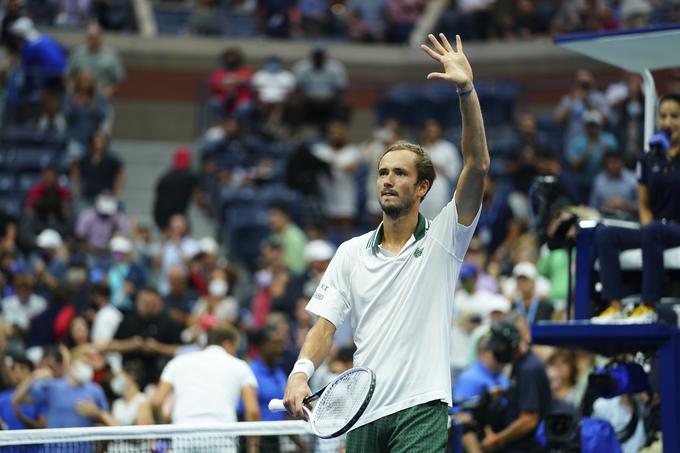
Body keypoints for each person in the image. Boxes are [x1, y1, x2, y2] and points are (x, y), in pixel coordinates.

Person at [283, 33, 489, 451]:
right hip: (362, 412)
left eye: (400, 173)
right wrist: (301, 371)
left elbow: (477, 164)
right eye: (382, 173)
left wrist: (466, 90)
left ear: (423, 187)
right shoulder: (350, 252)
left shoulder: (445, 239)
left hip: (421, 408)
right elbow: (325, 325)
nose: (388, 181)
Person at [593, 93, 680, 322]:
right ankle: (614, 305)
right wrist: (649, 227)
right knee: (606, 235)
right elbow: (644, 204)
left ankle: (648, 306)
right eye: (663, 116)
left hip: (677, 229)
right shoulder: (647, 158)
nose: (668, 122)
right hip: (655, 230)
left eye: (675, 116)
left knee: (652, 232)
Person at [152, 326, 260, 425]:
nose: (235, 353)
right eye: (235, 348)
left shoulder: (177, 362)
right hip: (223, 437)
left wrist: (164, 429)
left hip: (183, 435)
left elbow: (156, 402)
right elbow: (252, 411)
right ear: (228, 344)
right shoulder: (240, 366)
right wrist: (253, 446)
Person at [481, 319, 552, 452]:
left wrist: (497, 440)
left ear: (511, 344)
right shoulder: (519, 363)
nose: (497, 352)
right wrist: (508, 393)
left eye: (500, 347)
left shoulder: (528, 369)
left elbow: (529, 420)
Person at [66, 22, 125, 98]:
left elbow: (118, 80)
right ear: (86, 37)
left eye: (95, 37)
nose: (93, 41)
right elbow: (67, 76)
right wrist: (73, 92)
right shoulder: (77, 53)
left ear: (101, 37)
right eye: (90, 37)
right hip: (79, 99)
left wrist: (107, 93)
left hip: (102, 98)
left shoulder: (112, 55)